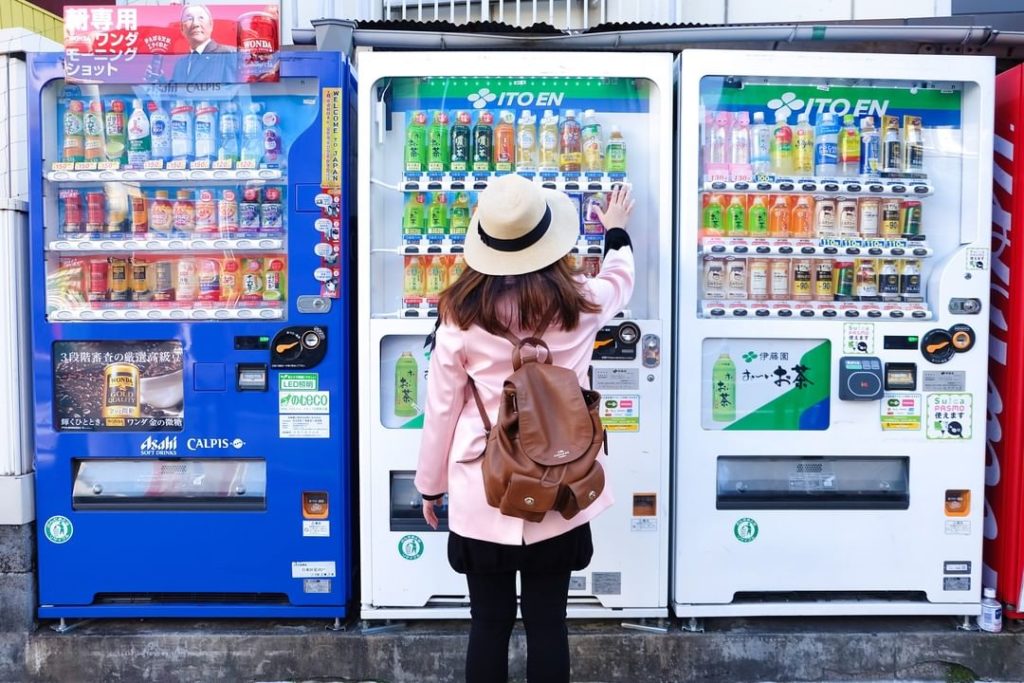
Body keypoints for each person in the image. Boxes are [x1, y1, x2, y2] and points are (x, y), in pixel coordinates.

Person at [415, 174, 635, 683]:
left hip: (483, 488)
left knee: (488, 623)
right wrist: (616, 231)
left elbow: (442, 408)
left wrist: (430, 487)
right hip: (561, 486)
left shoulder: (460, 314)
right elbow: (622, 278)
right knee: (549, 623)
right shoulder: (582, 302)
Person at [170, 4, 237, 84]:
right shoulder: (180, 64)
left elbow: (233, 92)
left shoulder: (228, 54)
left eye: (201, 18)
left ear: (211, 25)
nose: (195, 24)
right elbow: (173, 93)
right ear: (182, 29)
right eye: (189, 18)